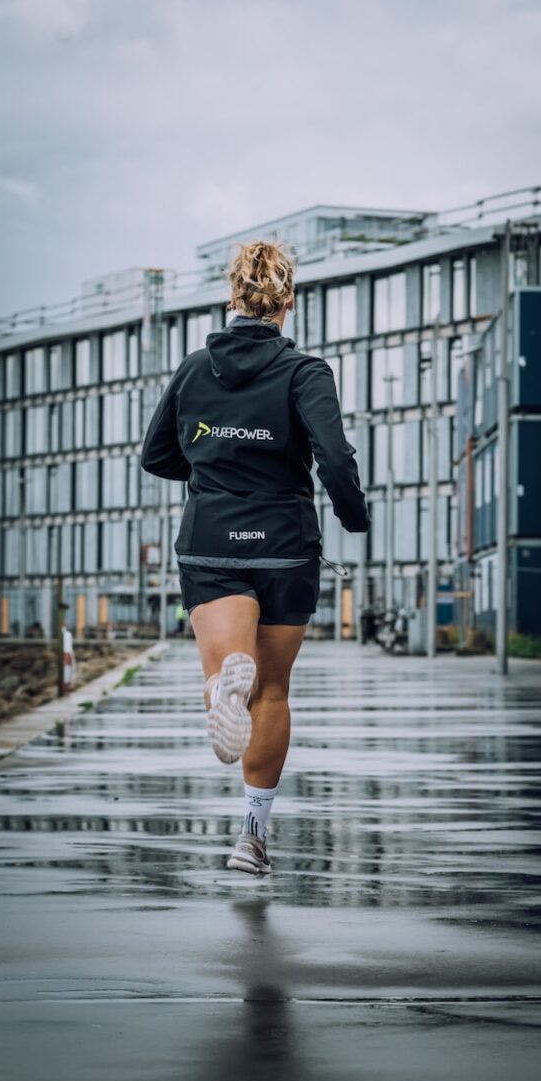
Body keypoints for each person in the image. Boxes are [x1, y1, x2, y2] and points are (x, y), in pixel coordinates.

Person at [141, 241, 369, 875]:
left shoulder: (192, 370)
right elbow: (335, 457)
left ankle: (219, 690)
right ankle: (252, 836)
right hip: (284, 545)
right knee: (271, 691)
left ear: (231, 298)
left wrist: (215, 460)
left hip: (212, 539)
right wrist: (354, 515)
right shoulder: (305, 372)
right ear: (287, 302)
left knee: (229, 670)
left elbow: (155, 456)